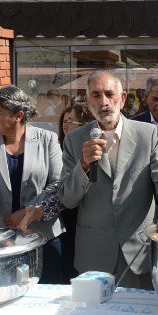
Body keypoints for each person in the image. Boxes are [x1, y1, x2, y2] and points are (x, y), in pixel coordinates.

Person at [59, 71, 158, 288]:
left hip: (138, 252)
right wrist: (83, 165)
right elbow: (68, 199)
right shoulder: (74, 139)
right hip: (94, 254)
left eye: (110, 94)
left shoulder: (146, 134)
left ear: (122, 99)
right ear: (88, 100)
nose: (104, 102)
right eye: (96, 95)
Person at [0, 86, 64, 284]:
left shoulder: (47, 140)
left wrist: (28, 211)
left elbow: (57, 183)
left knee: (43, 299)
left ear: (18, 115)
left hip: (43, 235)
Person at [57, 103, 94, 283]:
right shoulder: (60, 146)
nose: (65, 125)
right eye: (64, 121)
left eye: (70, 121)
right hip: (67, 218)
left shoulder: (91, 147)